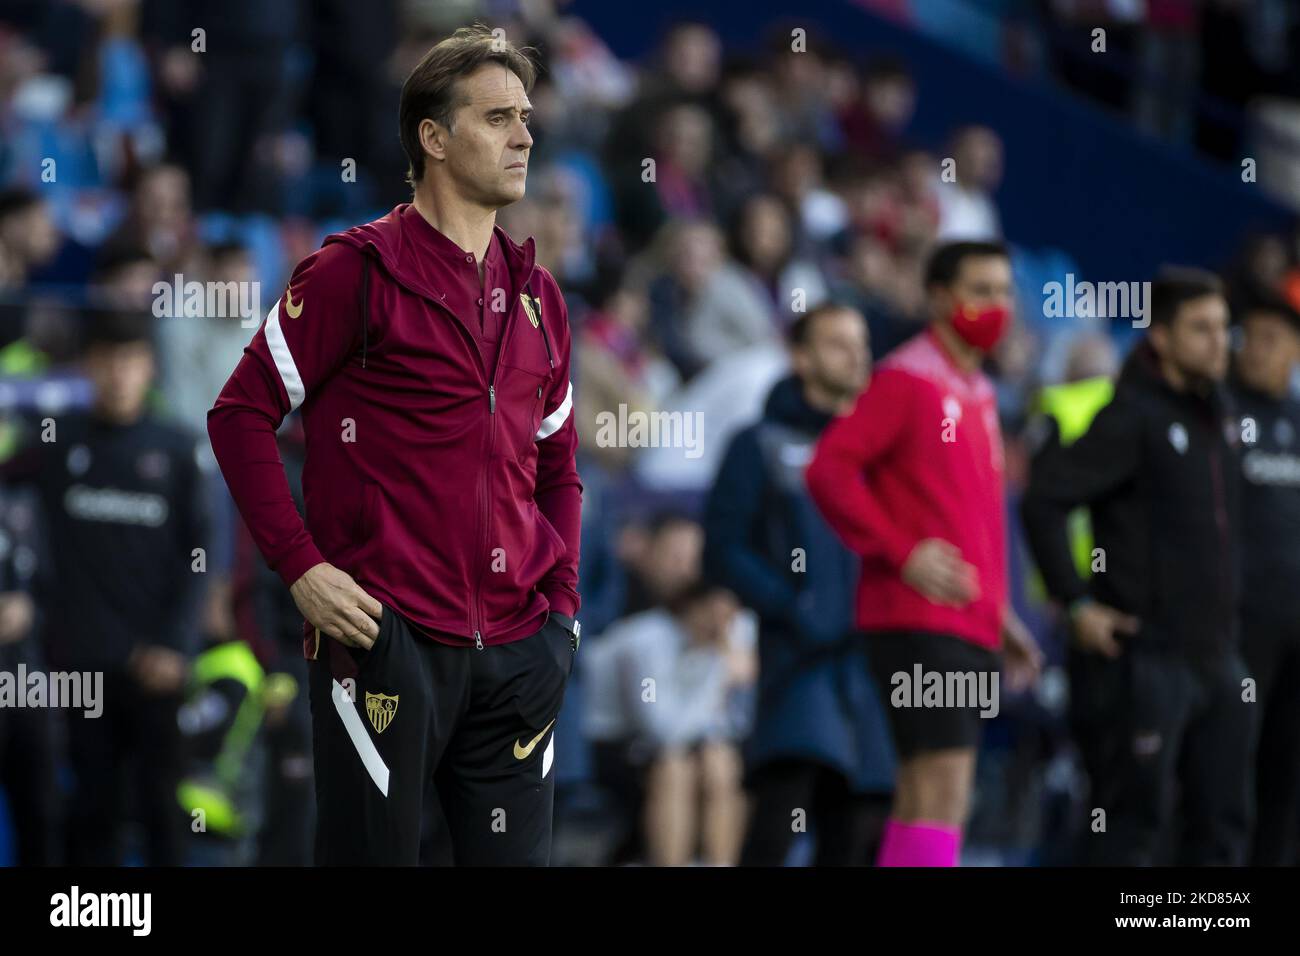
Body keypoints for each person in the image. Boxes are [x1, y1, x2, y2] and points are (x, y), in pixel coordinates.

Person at [207, 24, 583, 866]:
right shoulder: (352, 272)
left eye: (525, 116)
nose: (525, 135)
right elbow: (237, 417)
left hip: (522, 650)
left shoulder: (540, 296)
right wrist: (300, 567)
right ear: (434, 138)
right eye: (498, 118)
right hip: (384, 641)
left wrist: (562, 613)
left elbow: (559, 465)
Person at [806, 241, 1041, 868]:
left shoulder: (981, 392)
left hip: (964, 622)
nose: (997, 306)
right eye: (980, 290)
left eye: (1004, 292)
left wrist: (1001, 616)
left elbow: (976, 524)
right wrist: (902, 553)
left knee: (924, 792)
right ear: (939, 298)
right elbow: (829, 469)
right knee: (943, 787)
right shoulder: (906, 377)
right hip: (919, 619)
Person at [1021, 268, 1251, 866]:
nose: (1218, 342)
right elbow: (1043, 498)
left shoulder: (1221, 418)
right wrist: (1075, 603)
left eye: (1224, 328)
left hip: (1217, 657)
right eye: (1200, 329)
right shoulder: (1130, 414)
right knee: (1130, 828)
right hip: (1144, 657)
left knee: (1221, 824)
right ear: (1161, 337)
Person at [1, 308, 209, 865]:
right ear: (88, 367)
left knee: (163, 808)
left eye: (131, 360)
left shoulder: (177, 450)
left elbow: (202, 556)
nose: (119, 373)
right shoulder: (53, 445)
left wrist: (175, 643)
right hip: (79, 665)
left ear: (148, 368)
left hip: (156, 664)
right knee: (91, 811)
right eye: (107, 360)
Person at [704, 303, 896, 866]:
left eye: (861, 343)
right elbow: (722, 552)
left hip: (870, 661)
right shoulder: (758, 444)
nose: (857, 355)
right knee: (781, 811)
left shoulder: (878, 450)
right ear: (801, 357)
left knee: (859, 824)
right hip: (798, 662)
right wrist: (792, 605)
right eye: (838, 343)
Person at [583, 580, 756, 866]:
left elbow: (735, 726)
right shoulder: (645, 641)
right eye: (715, 614)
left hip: (664, 746)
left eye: (729, 618)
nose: (722, 626)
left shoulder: (727, 638)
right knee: (674, 768)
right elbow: (663, 729)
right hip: (608, 743)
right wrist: (720, 668)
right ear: (692, 607)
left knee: (721, 761)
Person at [1229, 292, 1300, 866]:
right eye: (1247, 337)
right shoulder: (1220, 414)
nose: (1256, 351)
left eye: (1273, 339)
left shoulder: (1299, 423)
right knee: (1227, 773)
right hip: (1234, 629)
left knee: (1286, 773)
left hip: (1294, 635)